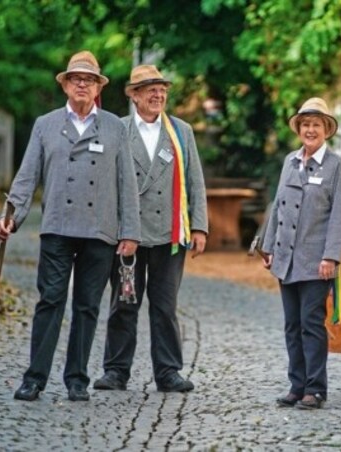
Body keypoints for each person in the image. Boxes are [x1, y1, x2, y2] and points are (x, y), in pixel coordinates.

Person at [0, 50, 141, 402]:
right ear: (65, 85)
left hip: (100, 231)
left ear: (97, 88)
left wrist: (131, 231)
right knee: (50, 301)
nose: (82, 84)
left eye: (89, 80)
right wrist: (10, 215)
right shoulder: (45, 125)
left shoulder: (114, 127)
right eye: (76, 78)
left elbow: (127, 182)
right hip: (57, 228)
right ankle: (35, 378)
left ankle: (77, 378)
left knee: (88, 306)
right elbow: (27, 175)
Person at [93, 65, 208, 393]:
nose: (158, 95)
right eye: (149, 90)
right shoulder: (117, 129)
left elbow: (195, 180)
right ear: (134, 95)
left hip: (170, 233)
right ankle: (116, 371)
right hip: (128, 234)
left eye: (162, 90)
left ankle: (169, 371)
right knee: (124, 302)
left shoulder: (181, 131)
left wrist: (198, 226)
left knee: (165, 305)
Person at [261, 97, 341, 410]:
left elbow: (340, 216)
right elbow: (278, 206)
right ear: (298, 128)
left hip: (316, 262)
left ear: (326, 129)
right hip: (285, 259)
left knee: (311, 323)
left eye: (316, 124)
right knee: (291, 325)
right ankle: (296, 385)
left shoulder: (337, 166)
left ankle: (315, 388)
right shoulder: (290, 161)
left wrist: (331, 257)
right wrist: (268, 245)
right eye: (305, 124)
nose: (310, 129)